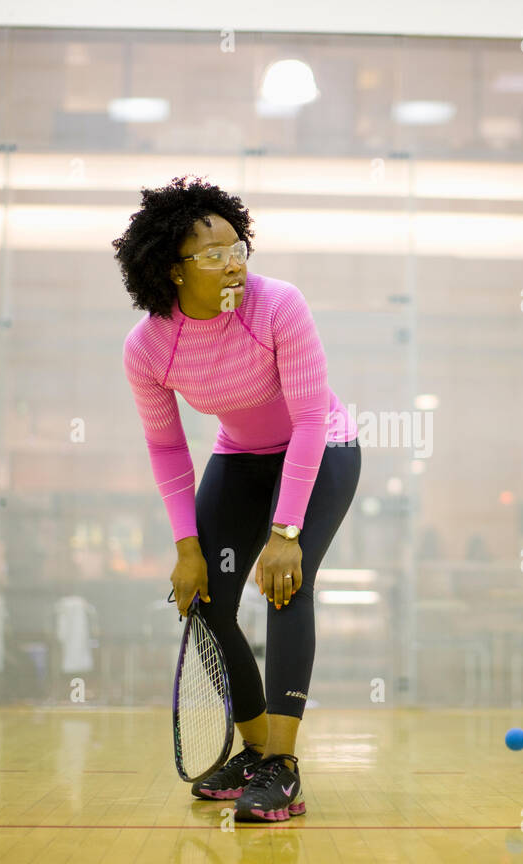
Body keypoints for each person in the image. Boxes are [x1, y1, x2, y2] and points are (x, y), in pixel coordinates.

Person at [115, 175, 360, 821]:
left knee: (287, 584)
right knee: (209, 602)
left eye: (239, 248)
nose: (233, 264)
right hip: (242, 457)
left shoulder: (278, 304)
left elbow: (309, 419)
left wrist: (285, 535)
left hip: (322, 447)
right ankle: (254, 752)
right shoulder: (147, 348)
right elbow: (168, 450)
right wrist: (186, 548)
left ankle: (284, 766)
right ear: (171, 269)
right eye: (213, 254)